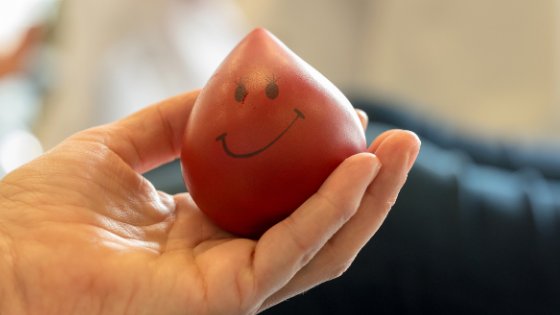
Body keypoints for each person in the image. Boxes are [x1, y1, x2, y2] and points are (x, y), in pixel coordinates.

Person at [0, 89, 420, 314]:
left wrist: (15, 258)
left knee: (371, 113)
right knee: (421, 194)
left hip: (131, 206)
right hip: (190, 201)